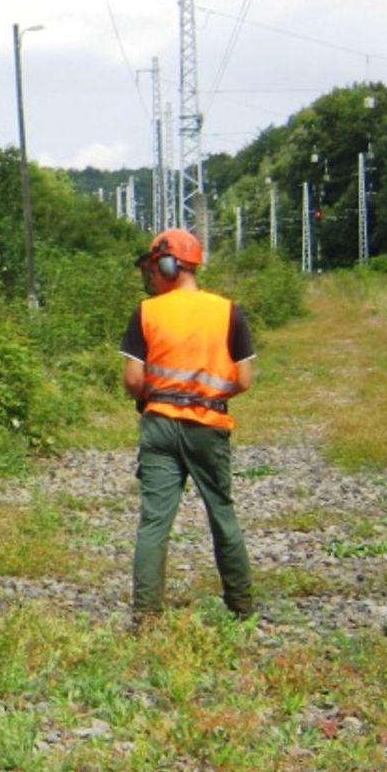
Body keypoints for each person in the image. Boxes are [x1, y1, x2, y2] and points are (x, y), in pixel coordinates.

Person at [120, 228, 257, 626]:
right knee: (221, 513)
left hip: (159, 423)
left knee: (154, 521)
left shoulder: (147, 312)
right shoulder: (228, 311)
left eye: (153, 266)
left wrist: (158, 395)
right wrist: (207, 393)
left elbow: (132, 379)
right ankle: (241, 606)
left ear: (168, 264)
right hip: (209, 424)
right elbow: (244, 380)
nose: (150, 275)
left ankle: (146, 613)